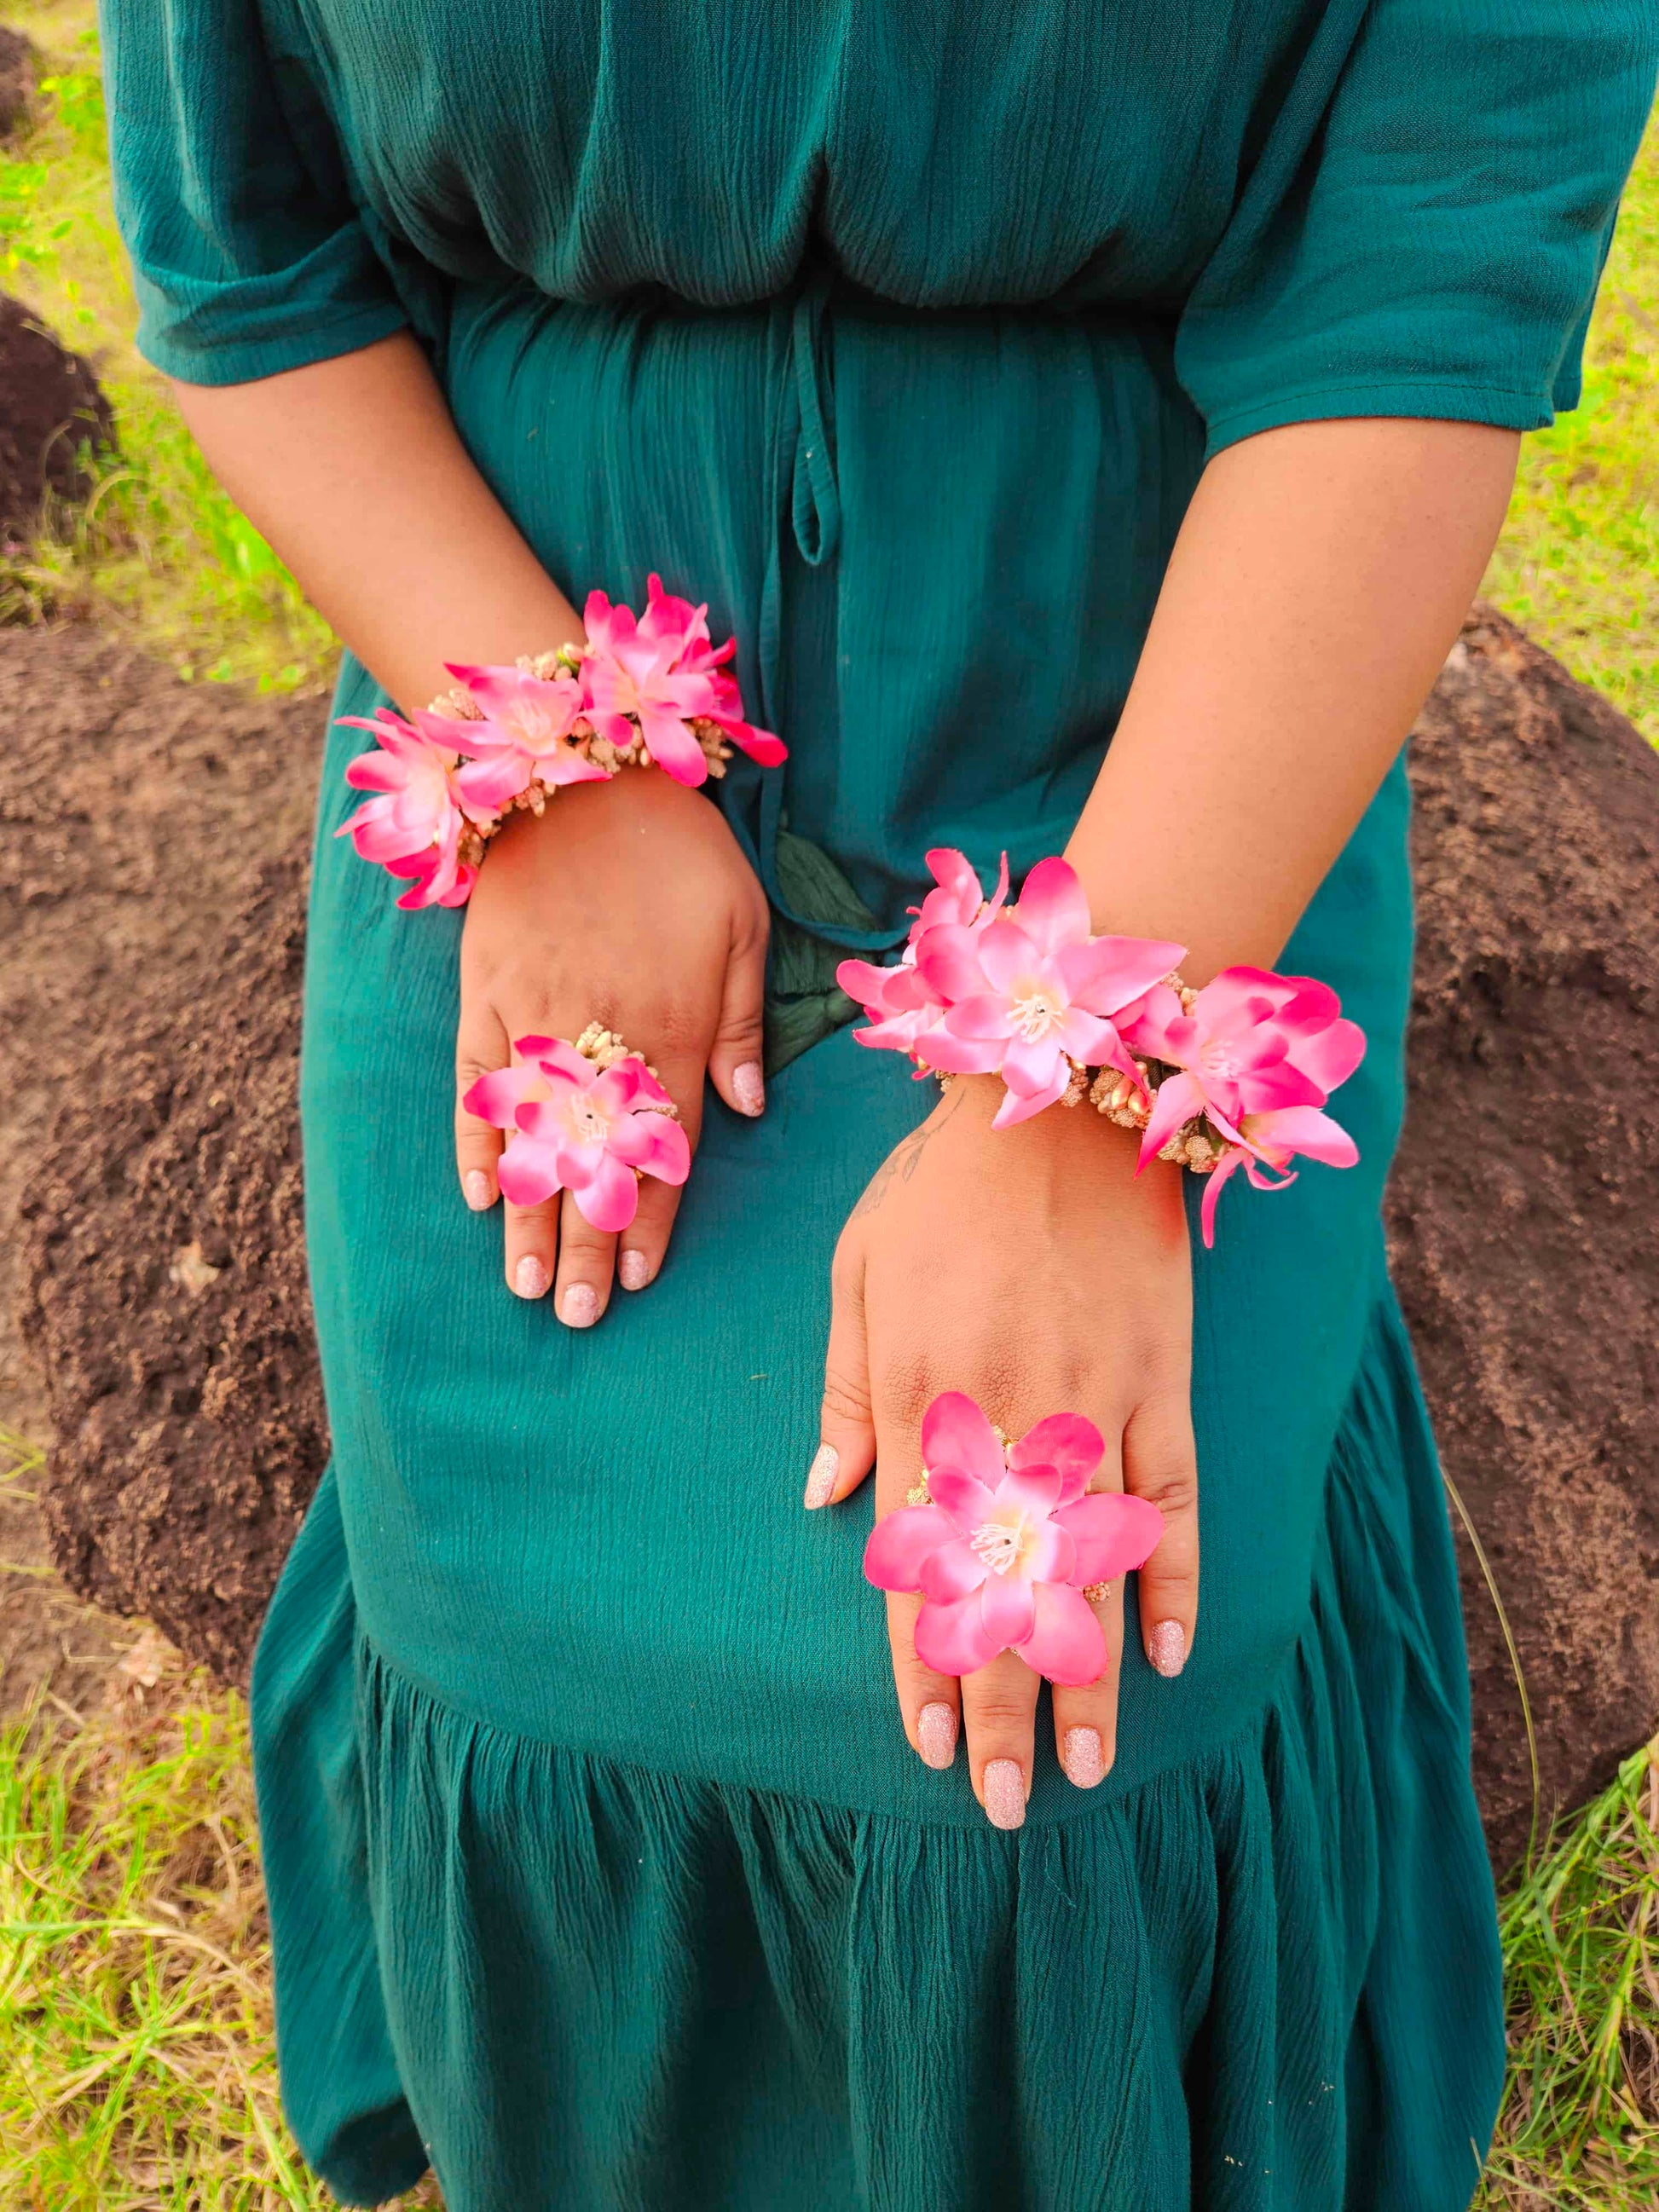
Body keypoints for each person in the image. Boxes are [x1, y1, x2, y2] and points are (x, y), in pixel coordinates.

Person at [100, 2, 1656, 2205]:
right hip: (536, 675)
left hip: (1145, 733)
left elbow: (1420, 284)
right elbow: (241, 270)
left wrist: (1084, 1094)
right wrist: (551, 758)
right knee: (534, 1649)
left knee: (1028, 1757)